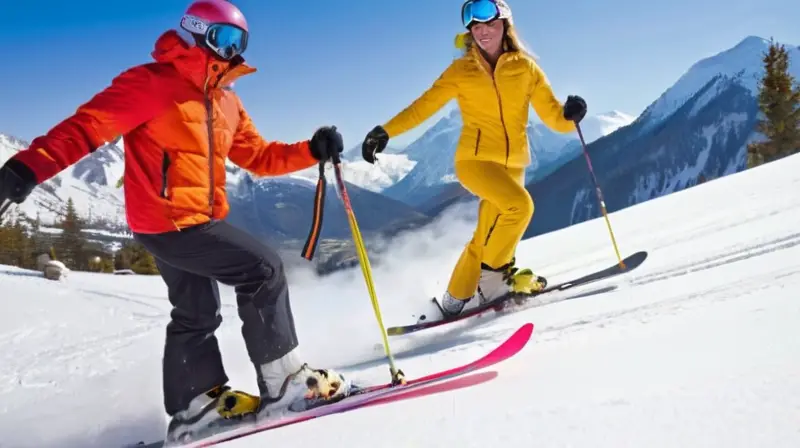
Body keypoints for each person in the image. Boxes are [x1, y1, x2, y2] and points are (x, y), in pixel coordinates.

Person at [0, 0, 350, 444]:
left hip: (193, 220)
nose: (232, 51)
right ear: (195, 31)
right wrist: (25, 169)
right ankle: (286, 383)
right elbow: (85, 127)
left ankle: (194, 407)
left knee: (196, 312)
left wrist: (310, 150)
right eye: (224, 38)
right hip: (170, 222)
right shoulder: (150, 84)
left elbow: (258, 156)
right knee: (262, 270)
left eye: (239, 42)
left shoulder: (226, 101)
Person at [360, 0, 587, 317]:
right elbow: (423, 105)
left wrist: (570, 115)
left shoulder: (526, 69)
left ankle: (455, 298)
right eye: (475, 27)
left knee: (486, 235)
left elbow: (553, 116)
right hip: (475, 161)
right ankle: (493, 281)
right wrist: (385, 132)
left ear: (505, 25)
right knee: (519, 207)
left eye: (488, 25)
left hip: (514, 163)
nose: (481, 32)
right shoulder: (461, 71)